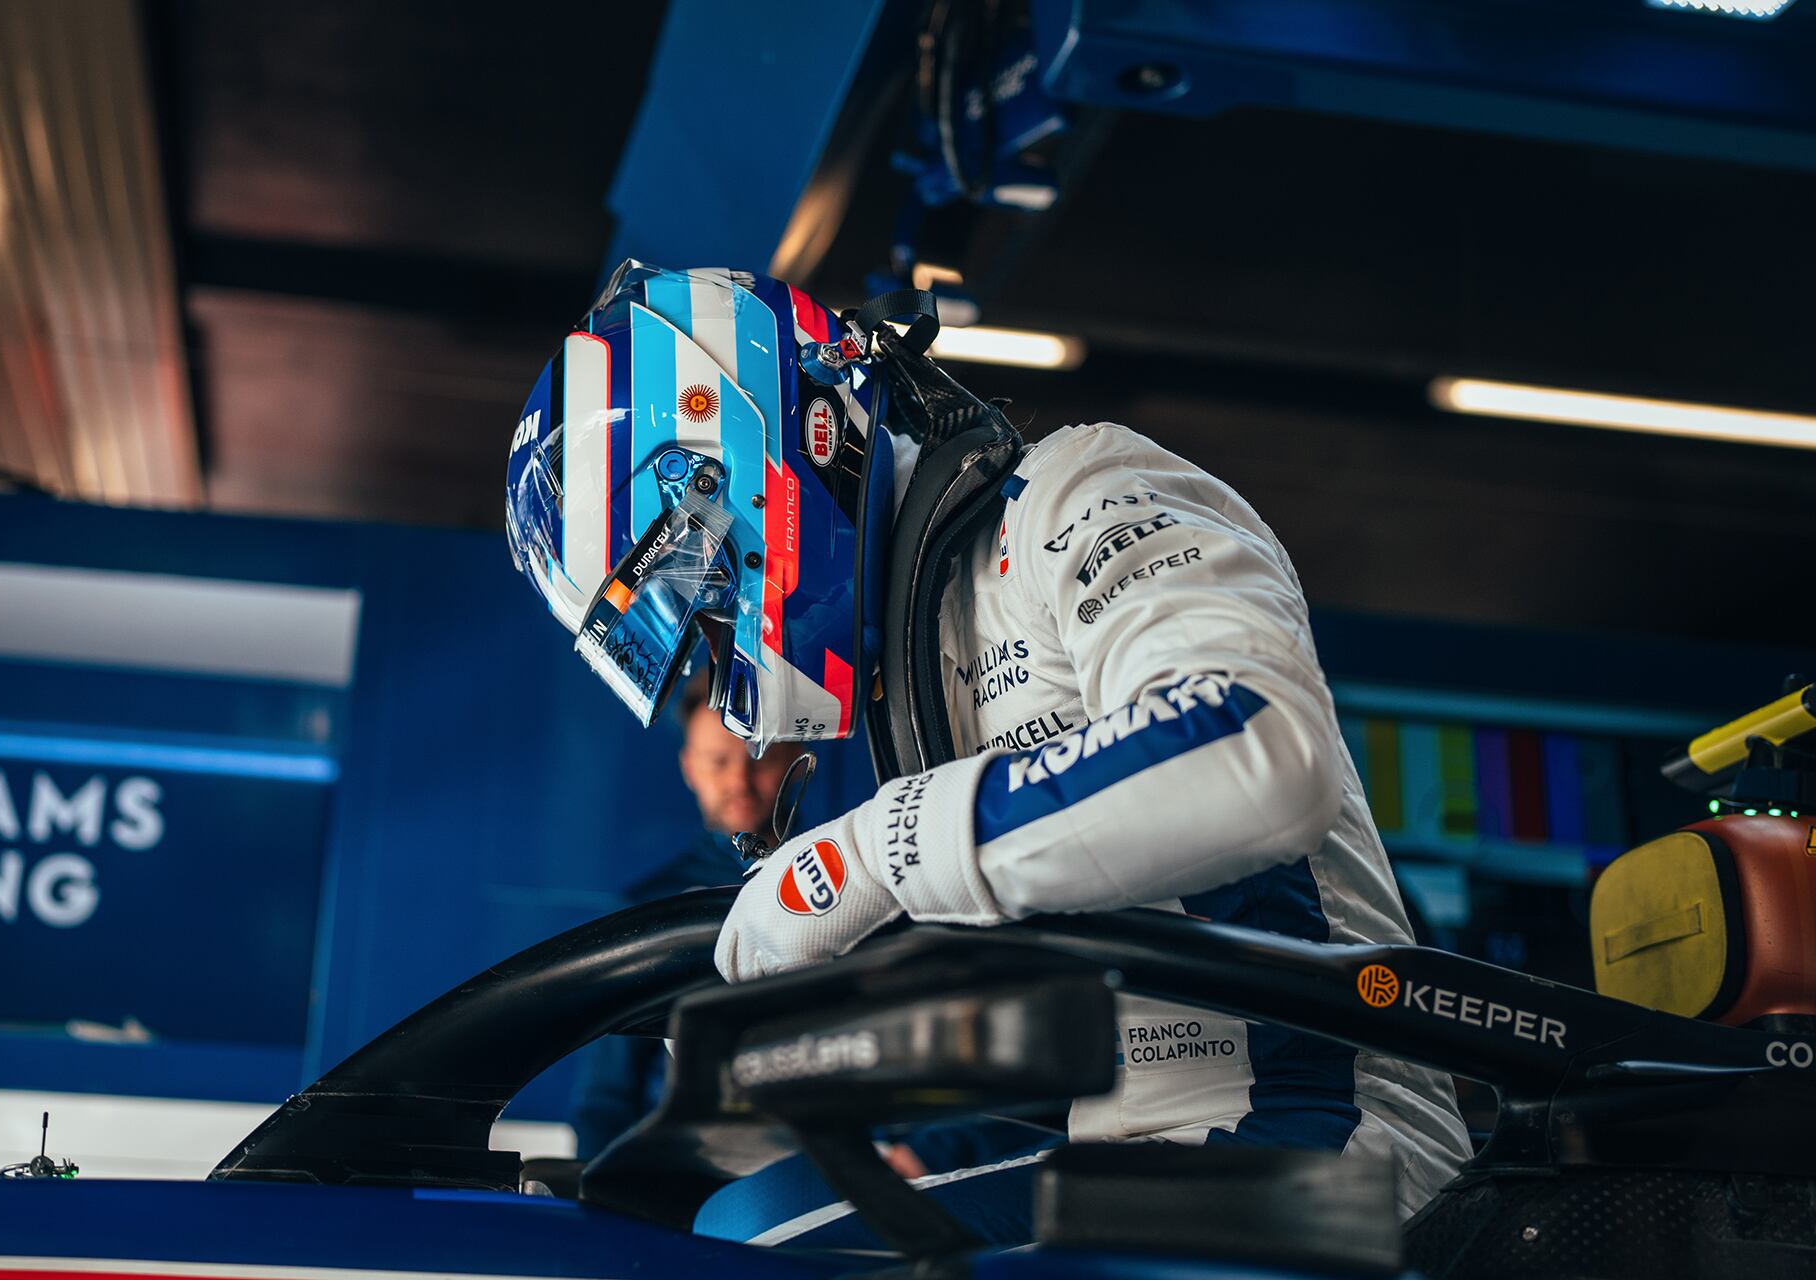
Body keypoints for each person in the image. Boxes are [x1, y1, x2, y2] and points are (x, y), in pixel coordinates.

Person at [506, 262, 1471, 1247]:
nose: (722, 641)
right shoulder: (916, 661)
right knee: (717, 1226)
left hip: (1330, 1143)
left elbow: (1260, 749)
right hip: (1125, 1137)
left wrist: (867, 855)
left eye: (704, 590)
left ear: (764, 453)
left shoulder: (1078, 487)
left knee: (764, 1245)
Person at [567, 680, 800, 1160]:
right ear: (690, 768)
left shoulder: (857, 880)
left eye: (758, 758)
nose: (739, 781)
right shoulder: (646, 911)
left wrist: (921, 1153)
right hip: (687, 1176)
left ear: (795, 758)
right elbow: (604, 1099)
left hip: (827, 1168)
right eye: (718, 761)